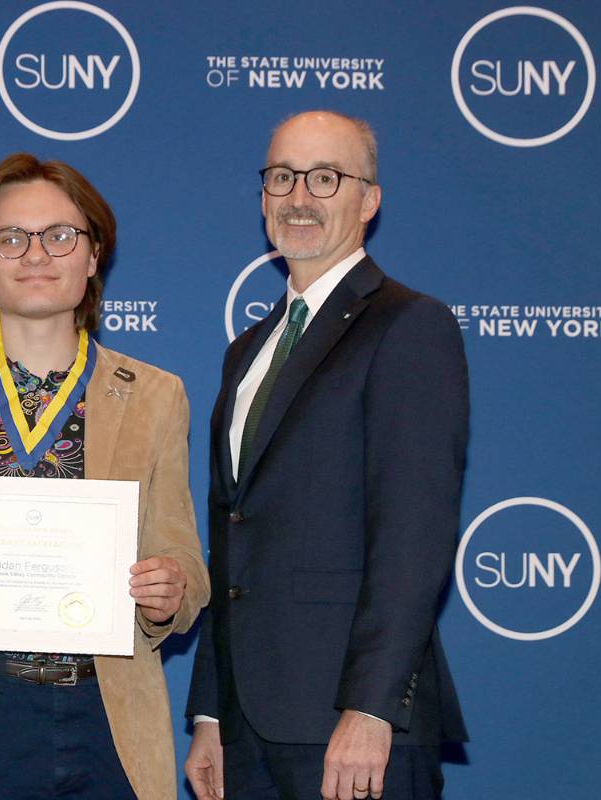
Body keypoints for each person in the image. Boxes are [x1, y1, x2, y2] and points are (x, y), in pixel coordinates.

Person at [0, 153, 209, 799]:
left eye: (60, 235)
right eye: (11, 238)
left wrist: (173, 589)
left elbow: (183, 554)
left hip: (110, 711)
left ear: (93, 254)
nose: (37, 254)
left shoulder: (159, 398)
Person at [185, 110, 469, 800]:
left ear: (369, 199)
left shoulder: (409, 326)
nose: (299, 197)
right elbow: (231, 540)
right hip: (248, 731)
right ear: (262, 199)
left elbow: (414, 534)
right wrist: (209, 713)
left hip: (352, 729)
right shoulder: (246, 352)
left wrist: (371, 709)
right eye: (281, 177)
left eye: (325, 177)